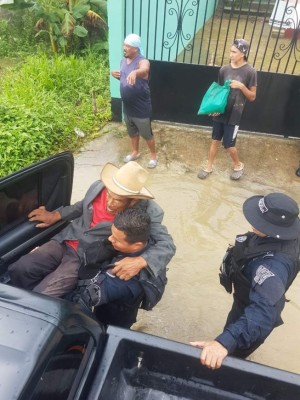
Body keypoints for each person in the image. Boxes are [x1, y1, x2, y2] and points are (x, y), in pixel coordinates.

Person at [8, 161, 176, 300]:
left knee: (45, 295)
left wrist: (141, 261)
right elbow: (81, 206)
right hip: (65, 239)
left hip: (85, 257)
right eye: (109, 194)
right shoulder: (98, 186)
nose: (109, 202)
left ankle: (33, 308)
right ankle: (19, 302)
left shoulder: (147, 213)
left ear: (133, 201)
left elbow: (166, 244)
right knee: (20, 267)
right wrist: (55, 215)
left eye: (117, 200)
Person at [191, 192, 300, 369]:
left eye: (260, 220)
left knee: (227, 360)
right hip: (246, 295)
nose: (253, 221)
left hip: (250, 308)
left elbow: (265, 312)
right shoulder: (290, 231)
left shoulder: (271, 267)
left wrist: (225, 343)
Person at [69, 207, 167, 326]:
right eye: (112, 234)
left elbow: (84, 298)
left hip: (114, 318)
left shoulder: (125, 276)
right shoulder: (150, 243)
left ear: (136, 246)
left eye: (116, 239)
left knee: (106, 332)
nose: (110, 239)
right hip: (119, 304)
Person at [197, 38, 257, 180]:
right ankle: (209, 167)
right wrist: (215, 108)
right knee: (215, 140)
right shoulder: (224, 69)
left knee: (229, 145)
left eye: (234, 52)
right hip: (221, 111)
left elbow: (253, 97)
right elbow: (218, 92)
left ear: (242, 53)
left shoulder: (250, 72)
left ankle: (238, 165)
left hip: (235, 113)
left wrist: (242, 87)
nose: (230, 54)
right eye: (230, 51)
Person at [111, 33, 158, 169]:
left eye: (127, 46)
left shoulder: (142, 61)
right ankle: (135, 152)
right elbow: (126, 79)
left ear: (135, 49)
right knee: (132, 132)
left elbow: (144, 70)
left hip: (141, 107)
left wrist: (135, 72)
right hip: (127, 106)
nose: (124, 48)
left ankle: (153, 156)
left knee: (146, 133)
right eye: (124, 45)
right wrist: (116, 76)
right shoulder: (123, 61)